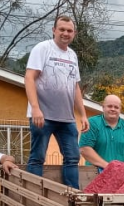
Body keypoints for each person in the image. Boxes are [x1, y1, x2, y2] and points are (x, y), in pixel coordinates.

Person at [24, 15, 89, 188]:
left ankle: (73, 196)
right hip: (43, 116)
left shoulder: (72, 55)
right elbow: (29, 78)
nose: (65, 33)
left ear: (74, 33)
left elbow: (75, 87)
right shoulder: (43, 48)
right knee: (37, 157)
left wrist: (82, 114)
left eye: (69, 30)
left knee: (73, 157)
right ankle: (33, 196)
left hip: (66, 118)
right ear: (54, 30)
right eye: (62, 29)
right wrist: (35, 108)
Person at [79, 94, 124, 172]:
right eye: (109, 106)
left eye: (116, 107)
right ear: (103, 107)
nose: (113, 109)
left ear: (120, 109)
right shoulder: (92, 123)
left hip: (121, 175)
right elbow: (84, 149)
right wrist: (108, 166)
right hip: (94, 174)